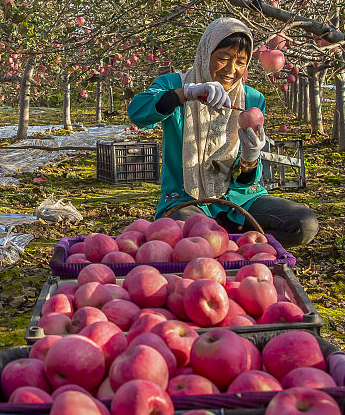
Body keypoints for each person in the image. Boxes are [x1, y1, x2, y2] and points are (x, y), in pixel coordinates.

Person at [127, 16, 319, 247]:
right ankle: (231, 250)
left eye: (240, 62)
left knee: (303, 224)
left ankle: (236, 249)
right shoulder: (174, 85)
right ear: (206, 54)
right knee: (196, 239)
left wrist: (250, 158)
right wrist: (186, 94)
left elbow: (246, 182)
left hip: (240, 201)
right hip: (186, 200)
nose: (231, 70)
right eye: (223, 58)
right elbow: (137, 112)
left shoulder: (252, 99)